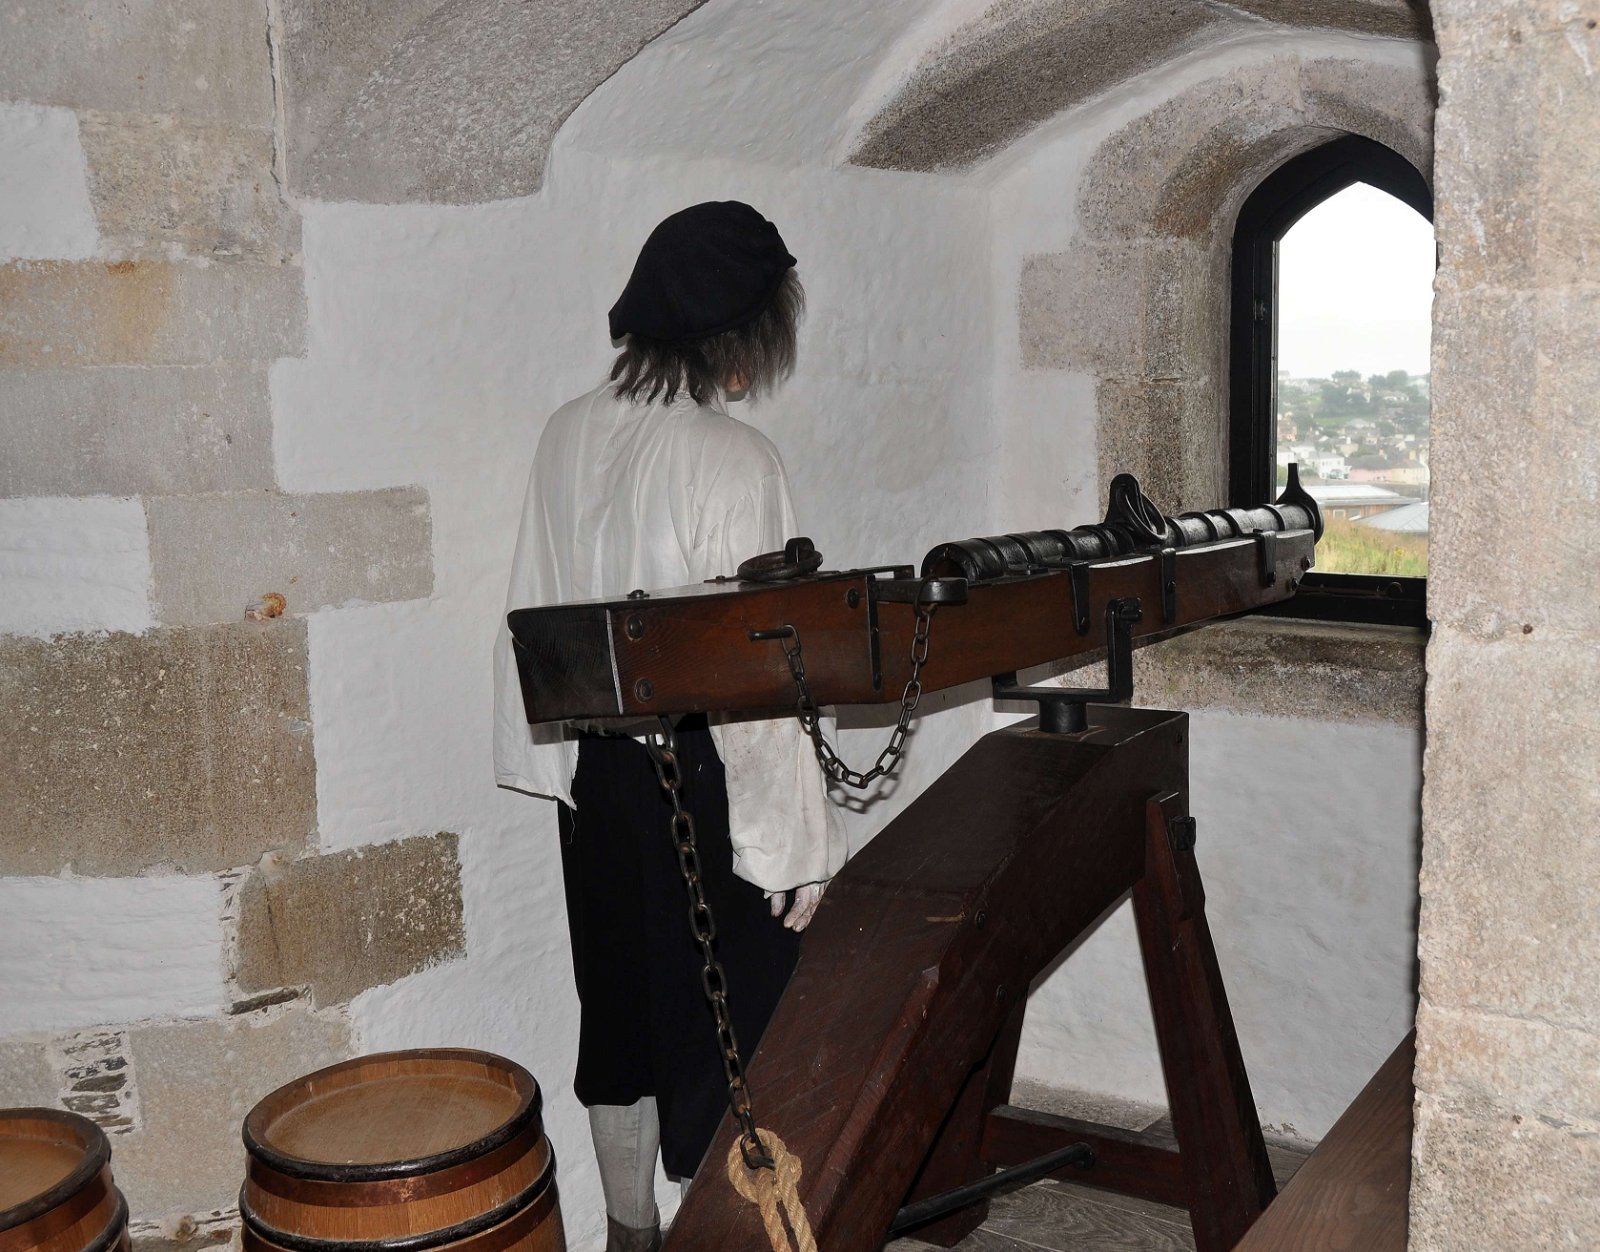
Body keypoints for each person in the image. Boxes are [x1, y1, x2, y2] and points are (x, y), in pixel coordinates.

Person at [492, 202, 845, 1252]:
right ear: (743, 329)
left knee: (624, 1021)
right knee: (737, 1034)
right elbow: (758, 673)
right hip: (702, 778)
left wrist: (557, 769)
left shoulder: (566, 427)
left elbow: (531, 608)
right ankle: (726, 1237)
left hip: (600, 779)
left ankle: (631, 1235)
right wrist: (794, 849)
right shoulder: (729, 456)